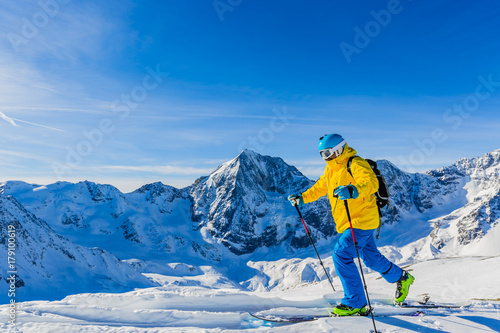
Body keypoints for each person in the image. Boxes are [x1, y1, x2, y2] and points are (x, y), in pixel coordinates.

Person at [288, 134, 414, 316]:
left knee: (341, 254)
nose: (325, 157)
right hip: (352, 222)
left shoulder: (355, 163)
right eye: (321, 154)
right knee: (370, 258)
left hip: (361, 220)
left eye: (327, 153)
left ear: (338, 149)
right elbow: (320, 188)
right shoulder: (331, 170)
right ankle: (402, 278)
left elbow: (371, 183)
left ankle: (355, 302)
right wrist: (302, 198)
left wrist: (354, 190)